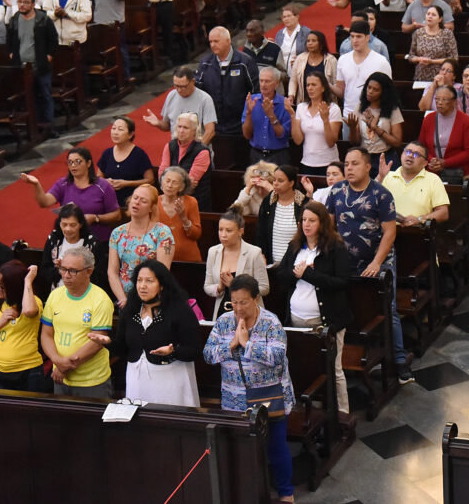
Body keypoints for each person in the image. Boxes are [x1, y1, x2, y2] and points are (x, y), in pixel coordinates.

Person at [203, 275, 296, 502]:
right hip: (234, 399)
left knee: (276, 447)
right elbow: (207, 354)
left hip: (270, 397)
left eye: (243, 302)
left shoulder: (271, 322)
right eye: (233, 302)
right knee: (239, 449)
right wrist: (231, 345)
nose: (238, 308)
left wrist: (247, 345)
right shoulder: (224, 322)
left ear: (256, 299)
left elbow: (277, 357)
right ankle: (246, 491)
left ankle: (286, 493)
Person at [325, 148, 412, 382]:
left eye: (354, 163)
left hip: (378, 263)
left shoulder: (381, 194)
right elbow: (328, 227)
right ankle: (355, 357)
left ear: (367, 167)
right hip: (346, 264)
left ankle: (400, 361)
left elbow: (390, 233)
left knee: (388, 309)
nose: (349, 168)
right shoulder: (336, 191)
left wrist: (376, 262)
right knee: (350, 307)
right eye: (346, 164)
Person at [275, 201, 353, 415]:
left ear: (322, 223)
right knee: (304, 367)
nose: (306, 225)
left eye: (312, 221)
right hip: (297, 319)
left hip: (328, 321)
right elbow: (281, 275)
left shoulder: (335, 248)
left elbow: (343, 282)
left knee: (333, 369)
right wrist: (296, 272)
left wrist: (309, 274)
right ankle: (313, 409)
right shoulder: (295, 246)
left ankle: (342, 413)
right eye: (303, 221)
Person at [88, 260, 201, 406]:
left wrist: (173, 352)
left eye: (149, 281)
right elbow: (124, 350)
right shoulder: (131, 310)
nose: (142, 286)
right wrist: (108, 342)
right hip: (138, 383)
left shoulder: (179, 311)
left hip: (170, 382)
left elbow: (195, 350)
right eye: (139, 280)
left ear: (161, 285)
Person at [40, 246, 115, 397]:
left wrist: (64, 367)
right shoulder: (55, 296)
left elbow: (97, 342)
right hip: (60, 377)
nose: (66, 275)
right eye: (63, 269)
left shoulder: (100, 300)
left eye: (73, 271)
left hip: (91, 381)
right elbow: (46, 334)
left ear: (89, 271)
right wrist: (57, 361)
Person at [0, 261, 49, 392]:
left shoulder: (33, 301)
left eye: (0, 285)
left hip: (28, 372)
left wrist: (28, 281)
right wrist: (1, 321)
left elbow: (30, 311)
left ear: (13, 286)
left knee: (29, 411)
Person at [20, 148, 121, 242]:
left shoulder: (103, 186)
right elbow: (44, 202)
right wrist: (36, 184)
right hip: (70, 240)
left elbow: (117, 215)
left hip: (97, 240)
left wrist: (95, 218)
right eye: (70, 162)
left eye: (77, 161)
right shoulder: (63, 184)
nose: (73, 165)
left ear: (88, 163)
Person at [107, 184, 174, 309]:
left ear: (151, 208)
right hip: (125, 301)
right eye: (135, 198)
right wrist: (123, 299)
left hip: (152, 300)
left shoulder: (163, 232)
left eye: (143, 201)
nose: (137, 203)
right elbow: (112, 271)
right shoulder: (117, 232)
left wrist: (144, 299)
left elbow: (163, 271)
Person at [206, 207, 270, 321]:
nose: (223, 235)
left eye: (229, 230)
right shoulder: (213, 252)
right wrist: (219, 288)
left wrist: (236, 286)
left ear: (241, 231)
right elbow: (207, 286)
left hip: (249, 316)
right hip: (222, 314)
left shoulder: (254, 253)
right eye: (220, 230)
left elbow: (264, 288)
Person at [195, 27, 259, 136]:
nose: (213, 45)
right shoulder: (205, 63)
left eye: (216, 41)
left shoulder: (245, 62)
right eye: (210, 41)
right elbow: (198, 91)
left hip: (240, 125)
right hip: (215, 126)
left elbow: (255, 92)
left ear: (228, 41)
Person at [37, 203, 109, 296]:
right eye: (64, 224)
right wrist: (60, 270)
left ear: (81, 224)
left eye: (72, 225)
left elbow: (99, 277)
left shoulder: (92, 244)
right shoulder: (54, 240)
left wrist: (74, 270)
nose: (67, 229)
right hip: (57, 294)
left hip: (85, 295)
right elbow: (44, 271)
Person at [380, 141, 451, 226]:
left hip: (417, 233)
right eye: (408, 152)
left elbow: (443, 213)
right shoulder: (387, 176)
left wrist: (420, 219)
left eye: (416, 154)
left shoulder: (433, 179)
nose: (410, 155)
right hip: (384, 233)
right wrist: (380, 177)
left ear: (425, 163)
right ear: (402, 154)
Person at [143, 67, 218, 143]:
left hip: (197, 149)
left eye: (183, 86)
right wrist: (158, 123)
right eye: (176, 86)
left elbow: (210, 131)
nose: (179, 90)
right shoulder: (171, 95)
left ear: (192, 82)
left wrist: (197, 151)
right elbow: (167, 125)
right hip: (176, 149)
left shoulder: (205, 99)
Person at [419, 85, 469, 180]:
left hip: (456, 172)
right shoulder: (428, 119)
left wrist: (445, 162)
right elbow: (421, 146)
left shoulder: (465, 121)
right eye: (437, 99)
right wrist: (432, 160)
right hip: (431, 171)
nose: (440, 103)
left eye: (444, 99)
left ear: (454, 101)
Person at [288, 73, 342, 174]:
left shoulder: (333, 109)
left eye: (314, 85)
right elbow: (298, 140)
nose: (310, 88)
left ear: (323, 88)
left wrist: (325, 120)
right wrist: (292, 115)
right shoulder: (301, 107)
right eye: (308, 85)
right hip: (307, 162)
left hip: (328, 164)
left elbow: (331, 142)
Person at [158, 111, 212, 210]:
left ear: (195, 131)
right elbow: (162, 173)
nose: (181, 130)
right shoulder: (170, 146)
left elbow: (189, 186)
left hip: (195, 202)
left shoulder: (202, 152)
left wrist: (169, 183)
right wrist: (176, 183)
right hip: (169, 200)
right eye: (179, 126)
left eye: (186, 128)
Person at [96, 117, 155, 208]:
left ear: (130, 134)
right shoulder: (107, 153)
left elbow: (150, 180)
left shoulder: (139, 154)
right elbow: (98, 177)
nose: (115, 132)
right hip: (109, 201)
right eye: (113, 128)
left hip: (132, 203)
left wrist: (126, 183)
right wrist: (106, 182)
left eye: (120, 129)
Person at [242, 66, 292, 166]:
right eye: (261, 81)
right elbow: (247, 135)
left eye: (267, 81)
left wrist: (271, 115)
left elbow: (282, 135)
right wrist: (248, 113)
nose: (263, 85)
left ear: (277, 83)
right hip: (256, 154)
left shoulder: (284, 104)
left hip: (278, 155)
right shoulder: (251, 100)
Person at [409, 6, 458, 81]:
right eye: (428, 14)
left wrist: (432, 61)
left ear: (440, 19)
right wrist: (419, 59)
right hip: (421, 75)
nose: (430, 16)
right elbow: (411, 56)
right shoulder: (418, 33)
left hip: (441, 76)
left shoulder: (447, 34)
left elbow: (453, 59)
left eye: (433, 15)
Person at [288, 31, 338, 105]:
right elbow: (293, 80)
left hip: (326, 103)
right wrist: (291, 95)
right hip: (304, 102)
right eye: (308, 41)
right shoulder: (300, 58)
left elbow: (335, 82)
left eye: (313, 41)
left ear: (321, 43)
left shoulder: (331, 60)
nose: (310, 43)